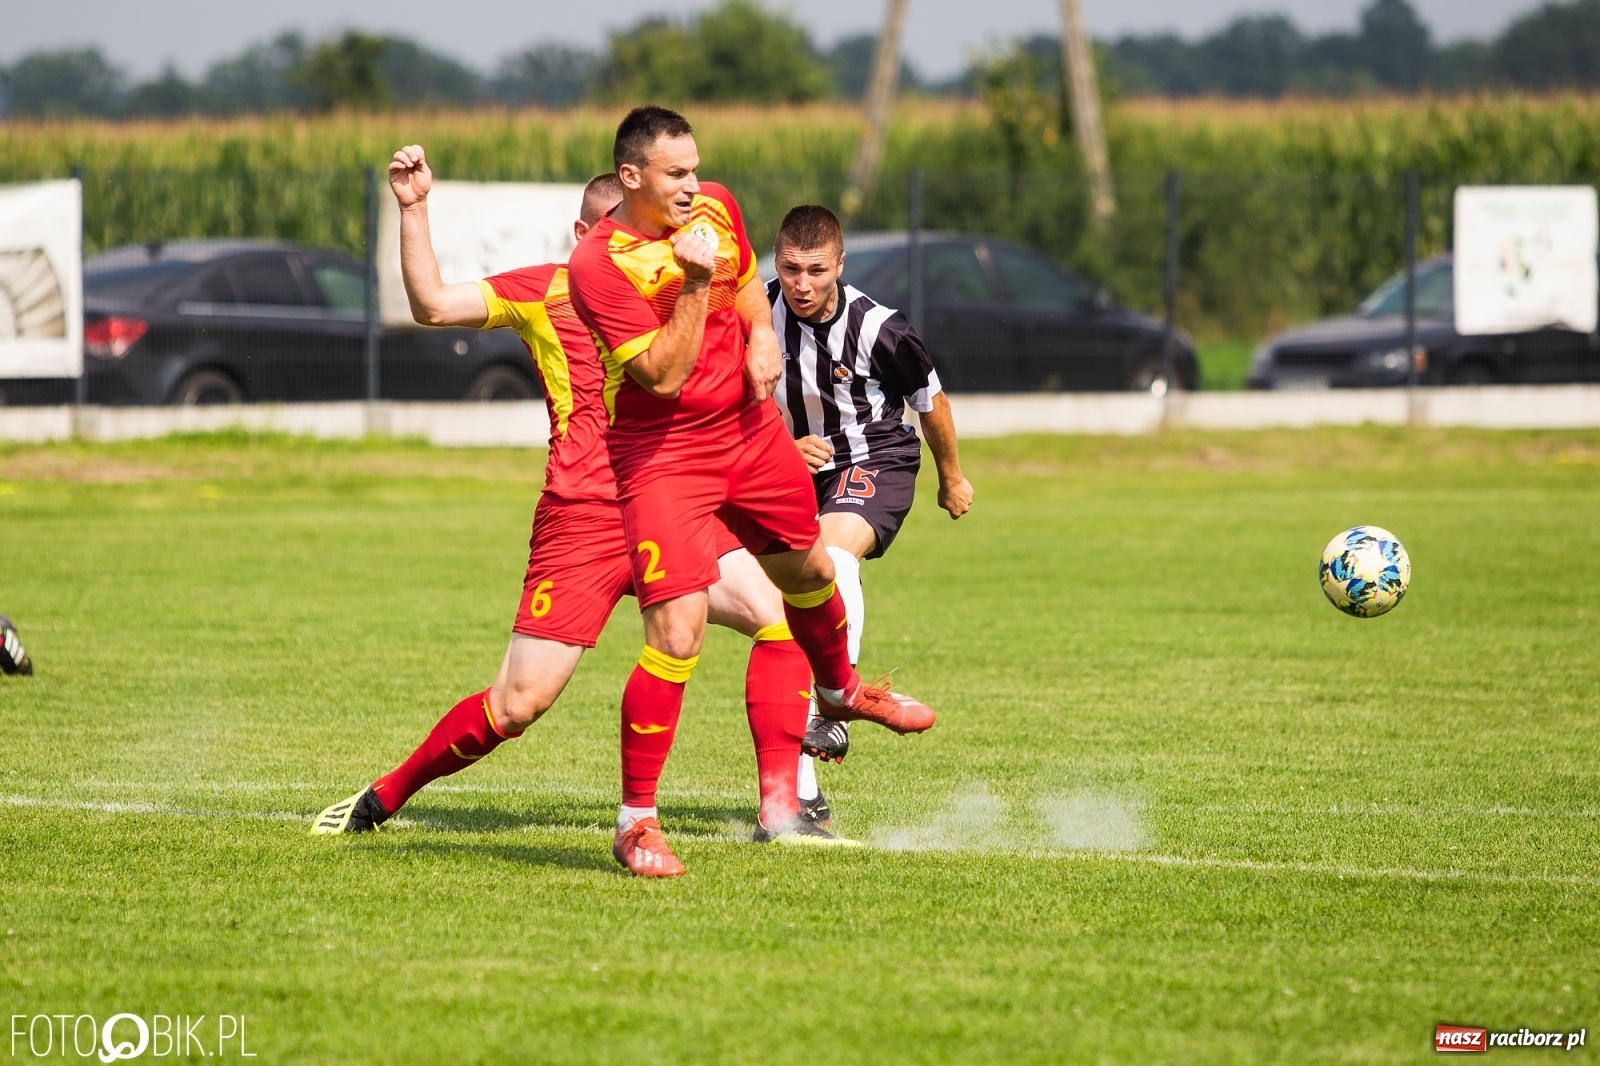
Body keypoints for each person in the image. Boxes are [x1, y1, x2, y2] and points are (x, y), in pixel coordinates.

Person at [312, 152, 837, 860]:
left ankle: (780, 809)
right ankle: (383, 796)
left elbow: (735, 348)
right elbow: (433, 304)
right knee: (517, 704)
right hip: (585, 517)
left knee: (777, 620)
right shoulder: (551, 289)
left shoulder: (685, 283)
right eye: (607, 236)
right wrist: (412, 208)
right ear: (584, 232)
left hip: (672, 494)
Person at [566, 106, 937, 878]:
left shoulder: (717, 206)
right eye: (676, 174)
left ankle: (838, 692)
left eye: (696, 168)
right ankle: (637, 823)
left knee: (811, 573)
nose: (693, 185)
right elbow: (661, 376)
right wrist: (696, 282)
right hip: (663, 457)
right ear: (631, 177)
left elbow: (741, 287)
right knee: (677, 634)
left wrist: (762, 334)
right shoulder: (599, 267)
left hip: (746, 435)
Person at [767, 205, 974, 826]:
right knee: (781, 624)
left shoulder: (881, 329)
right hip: (788, 468)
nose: (801, 284)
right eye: (789, 268)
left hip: (875, 461)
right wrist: (779, 450)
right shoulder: (753, 312)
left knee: (828, 561)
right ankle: (803, 791)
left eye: (815, 270)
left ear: (840, 265)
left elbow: (929, 402)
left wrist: (953, 477)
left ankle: (836, 696)